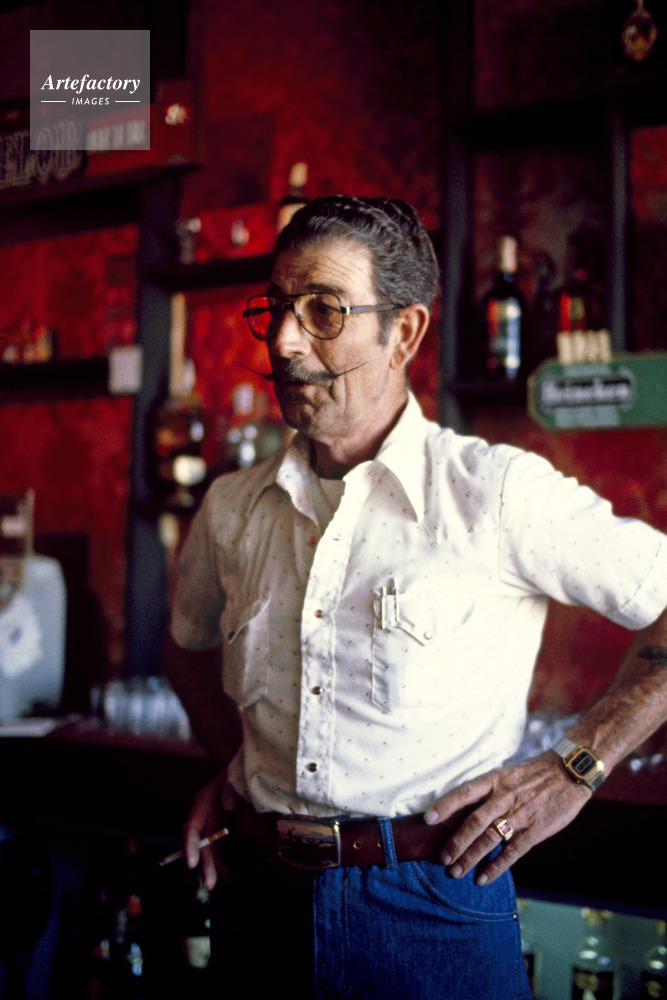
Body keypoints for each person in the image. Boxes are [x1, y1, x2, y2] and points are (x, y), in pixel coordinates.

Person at [164, 195, 667, 999]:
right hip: (257, 896)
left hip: (433, 904)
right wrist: (235, 769)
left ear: (403, 332)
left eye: (323, 310)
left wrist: (575, 767)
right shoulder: (230, 506)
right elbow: (186, 650)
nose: (284, 340)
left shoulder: (492, 492)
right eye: (278, 309)